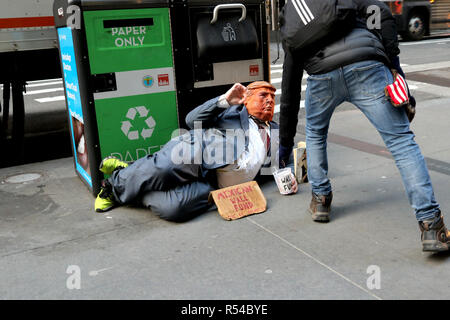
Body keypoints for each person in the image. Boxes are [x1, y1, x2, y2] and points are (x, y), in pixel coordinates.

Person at [278, 0, 449, 252]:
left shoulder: (290, 15)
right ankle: (431, 226)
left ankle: (321, 199)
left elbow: (290, 85)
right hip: (366, 65)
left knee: (314, 133)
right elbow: (382, 13)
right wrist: (394, 66)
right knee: (401, 141)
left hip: (321, 74)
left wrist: (284, 142)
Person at [95, 81, 297, 221]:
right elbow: (192, 120)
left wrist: (291, 175)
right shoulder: (233, 110)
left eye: (272, 96)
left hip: (215, 185)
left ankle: (133, 174)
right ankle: (113, 186)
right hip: (200, 151)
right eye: (263, 95)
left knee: (174, 209)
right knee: (164, 169)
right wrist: (225, 100)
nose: (270, 100)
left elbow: (283, 162)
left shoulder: (277, 131)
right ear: (246, 99)